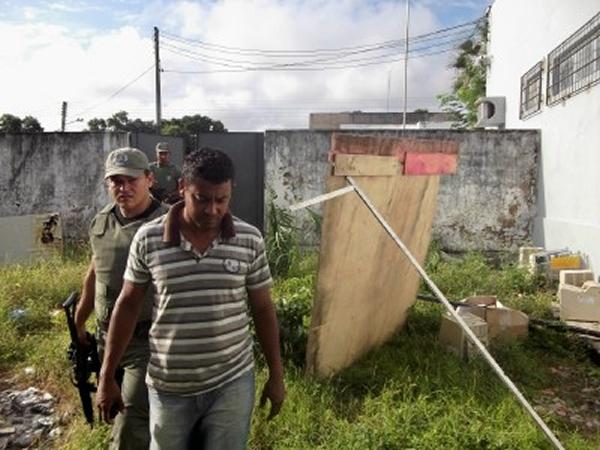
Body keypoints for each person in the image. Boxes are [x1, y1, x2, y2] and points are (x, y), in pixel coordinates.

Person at [97, 147, 285, 450]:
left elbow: (263, 308)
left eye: (221, 200)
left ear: (230, 192)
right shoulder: (149, 239)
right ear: (182, 188)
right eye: (201, 199)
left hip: (232, 382)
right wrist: (107, 377)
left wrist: (277, 375)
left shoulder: (249, 240)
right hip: (169, 386)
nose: (213, 209)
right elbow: (128, 305)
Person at [74, 147, 169, 450]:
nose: (123, 188)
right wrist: (79, 320)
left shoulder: (170, 224)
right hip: (107, 339)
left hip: (148, 342)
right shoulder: (101, 221)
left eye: (131, 180)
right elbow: (95, 273)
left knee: (131, 422)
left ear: (149, 179)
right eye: (116, 181)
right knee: (114, 407)